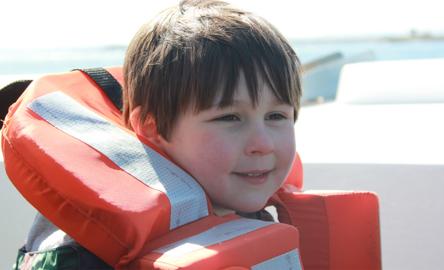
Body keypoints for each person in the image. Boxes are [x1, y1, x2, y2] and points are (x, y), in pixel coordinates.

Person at [14, 0, 302, 268]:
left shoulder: (249, 211)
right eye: (229, 118)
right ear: (152, 128)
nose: (262, 144)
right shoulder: (83, 253)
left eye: (276, 116)